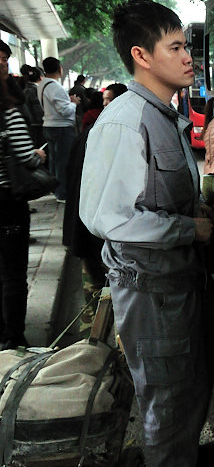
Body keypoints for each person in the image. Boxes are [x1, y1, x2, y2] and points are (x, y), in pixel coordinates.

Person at [79, 0, 214, 467]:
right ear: (142, 56)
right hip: (152, 295)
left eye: (186, 46)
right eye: (175, 47)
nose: (187, 57)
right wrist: (189, 229)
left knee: (187, 398)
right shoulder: (124, 120)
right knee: (167, 409)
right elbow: (107, 217)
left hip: (178, 287)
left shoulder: (165, 115)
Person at [63, 83, 128, 333]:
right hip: (100, 236)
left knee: (98, 303)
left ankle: (94, 356)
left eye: (112, 101)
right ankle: (96, 359)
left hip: (91, 233)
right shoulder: (105, 136)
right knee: (105, 302)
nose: (107, 106)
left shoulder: (95, 133)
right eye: (105, 101)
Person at [0, 48, 47, 350]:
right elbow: (27, 159)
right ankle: (12, 337)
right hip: (6, 203)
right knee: (13, 273)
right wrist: (39, 155)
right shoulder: (8, 114)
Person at [38, 56, 78, 202]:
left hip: (48, 126)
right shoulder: (55, 86)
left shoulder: (42, 85)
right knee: (64, 161)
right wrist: (74, 103)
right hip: (61, 128)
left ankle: (56, 190)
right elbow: (64, 111)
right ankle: (62, 193)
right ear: (59, 69)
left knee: (55, 161)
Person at [20, 64, 44, 147]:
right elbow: (38, 110)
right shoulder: (36, 90)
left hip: (31, 125)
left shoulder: (26, 90)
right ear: (41, 77)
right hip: (38, 126)